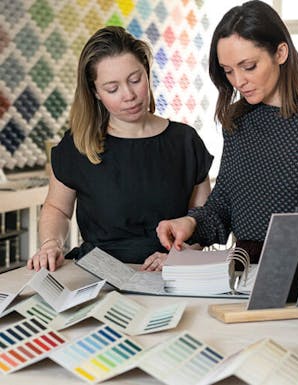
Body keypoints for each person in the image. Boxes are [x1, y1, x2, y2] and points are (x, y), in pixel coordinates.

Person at [27, 26, 213, 272]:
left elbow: (204, 218)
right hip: (96, 272)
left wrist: (185, 255)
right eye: (112, 89)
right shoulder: (78, 144)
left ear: (147, 73)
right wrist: (51, 244)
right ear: (95, 92)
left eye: (135, 80)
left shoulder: (185, 141)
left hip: (168, 272)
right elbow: (57, 208)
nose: (129, 95)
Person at [157, 0, 298, 263]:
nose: (238, 81)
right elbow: (224, 204)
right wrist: (190, 223)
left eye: (248, 66)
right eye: (228, 71)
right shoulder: (237, 121)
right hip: (244, 273)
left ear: (280, 53)